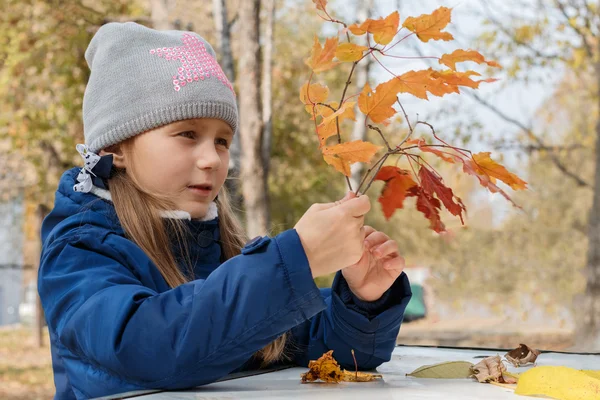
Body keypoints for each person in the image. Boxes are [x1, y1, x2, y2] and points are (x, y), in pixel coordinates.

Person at [37, 22, 412, 400]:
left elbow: (330, 350)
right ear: (115, 148)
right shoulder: (79, 251)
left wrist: (364, 300)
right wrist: (297, 259)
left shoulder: (220, 250)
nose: (212, 160)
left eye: (222, 141)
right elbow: (146, 347)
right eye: (187, 134)